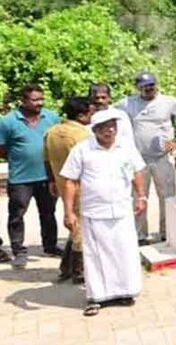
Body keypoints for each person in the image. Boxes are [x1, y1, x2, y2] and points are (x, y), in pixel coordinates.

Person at [58, 111, 147, 316]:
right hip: (94, 213)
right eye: (104, 127)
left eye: (112, 126)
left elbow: (137, 171)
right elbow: (70, 181)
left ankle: (125, 292)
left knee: (124, 252)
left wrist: (141, 196)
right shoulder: (82, 150)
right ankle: (96, 297)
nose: (110, 130)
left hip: (123, 209)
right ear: (95, 130)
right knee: (96, 256)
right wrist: (68, 212)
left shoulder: (126, 147)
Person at [116, 72, 176, 244]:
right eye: (144, 86)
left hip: (162, 158)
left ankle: (167, 233)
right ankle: (140, 236)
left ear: (156, 84)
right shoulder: (128, 103)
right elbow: (108, 113)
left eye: (151, 85)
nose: (148, 89)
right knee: (139, 197)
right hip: (138, 160)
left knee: (168, 196)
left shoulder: (168, 101)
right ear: (138, 88)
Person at [1, 84, 61, 266]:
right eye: (35, 100)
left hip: (47, 176)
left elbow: (58, 141)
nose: (39, 103)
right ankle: (19, 251)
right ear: (23, 101)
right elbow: (2, 148)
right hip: (21, 177)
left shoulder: (51, 117)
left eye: (41, 99)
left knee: (49, 212)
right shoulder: (8, 121)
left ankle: (50, 245)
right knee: (17, 214)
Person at [44, 98, 93, 282]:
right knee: (81, 228)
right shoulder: (83, 136)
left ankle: (66, 268)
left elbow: (46, 160)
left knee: (74, 226)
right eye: (90, 113)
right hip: (81, 185)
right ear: (81, 115)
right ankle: (78, 272)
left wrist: (51, 181)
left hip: (61, 183)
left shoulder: (51, 132)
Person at [88, 83, 134, 148]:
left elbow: (128, 138)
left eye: (103, 97)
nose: (100, 101)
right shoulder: (87, 116)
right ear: (90, 98)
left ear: (109, 98)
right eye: (96, 98)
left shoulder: (120, 115)